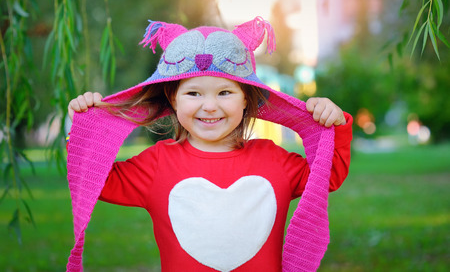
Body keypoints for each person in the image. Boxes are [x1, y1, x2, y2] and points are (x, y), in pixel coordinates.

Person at [65, 17, 353, 272]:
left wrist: (333, 125)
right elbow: (93, 182)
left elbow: (328, 176)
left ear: (246, 99)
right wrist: (80, 130)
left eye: (225, 92)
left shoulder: (275, 160)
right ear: (174, 99)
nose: (210, 106)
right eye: (194, 93)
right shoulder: (156, 165)